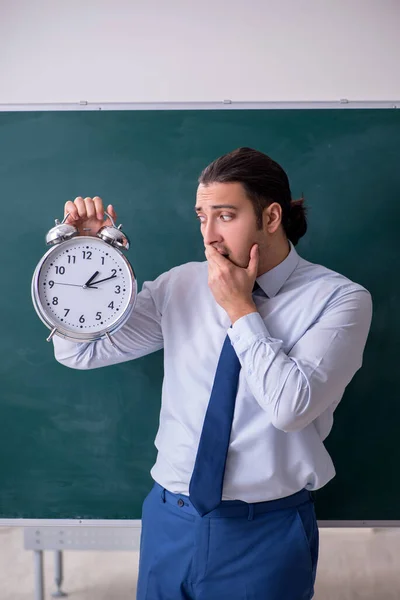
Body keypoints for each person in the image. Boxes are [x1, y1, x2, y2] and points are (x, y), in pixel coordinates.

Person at [53, 147, 373, 600]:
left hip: (266, 530)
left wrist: (240, 309)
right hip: (170, 520)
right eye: (201, 216)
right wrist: (88, 255)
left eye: (225, 216)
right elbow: (77, 351)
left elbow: (290, 407)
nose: (209, 236)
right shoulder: (179, 284)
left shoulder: (339, 299)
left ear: (272, 216)